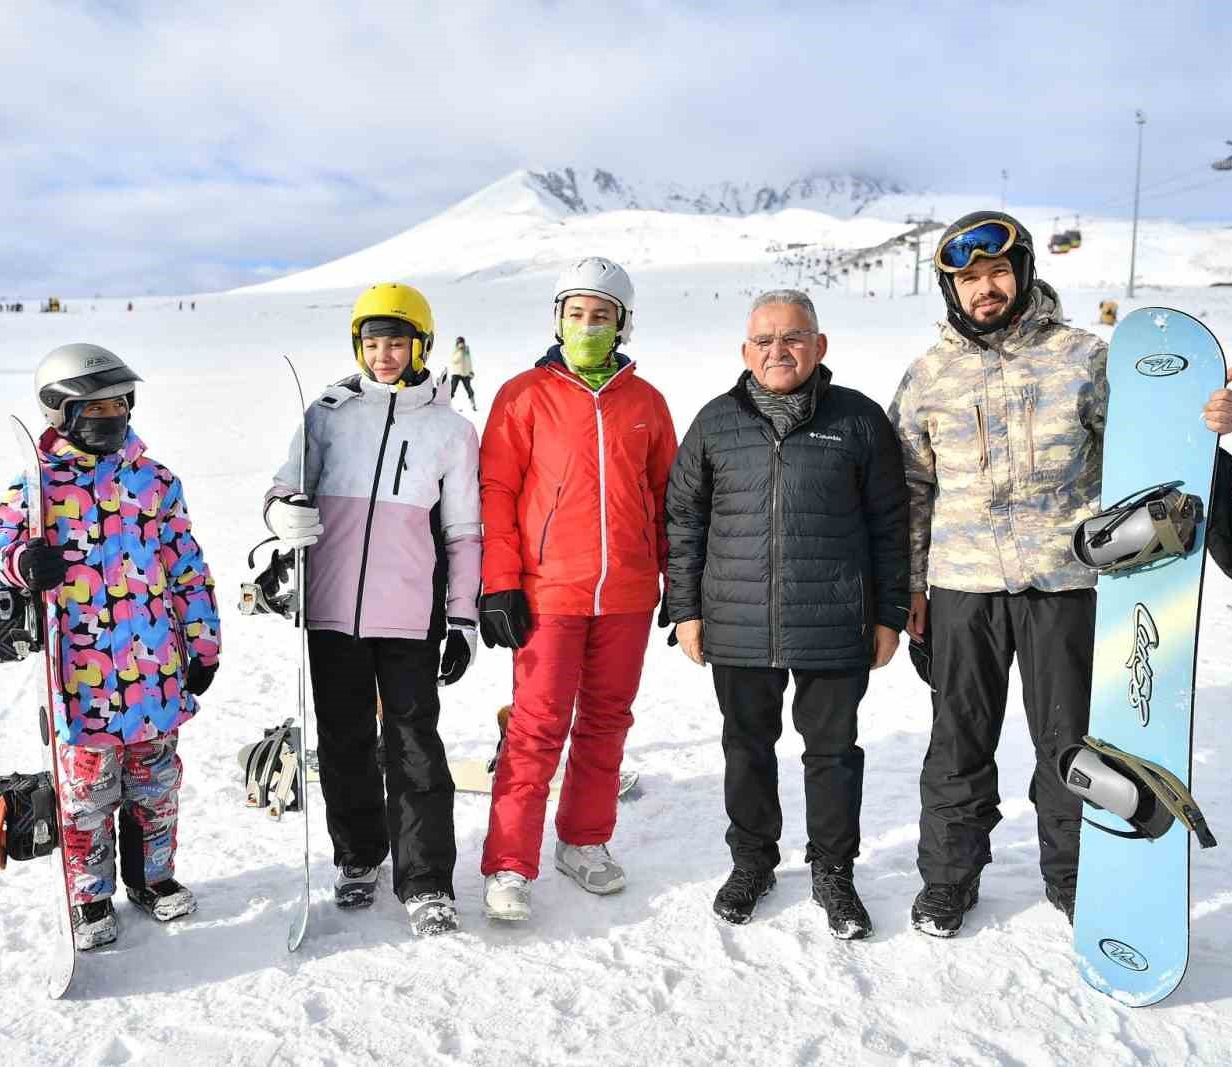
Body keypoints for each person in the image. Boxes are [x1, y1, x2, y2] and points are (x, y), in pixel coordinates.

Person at [888, 211, 1232, 937]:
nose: (985, 288)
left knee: (1071, 742)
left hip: (1065, 583)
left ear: (1021, 273)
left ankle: (1075, 873)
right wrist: (912, 588)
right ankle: (949, 878)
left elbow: (1150, 448)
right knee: (957, 740)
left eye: (997, 272)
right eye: (968, 277)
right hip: (963, 585)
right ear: (950, 288)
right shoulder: (928, 374)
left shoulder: (1084, 356)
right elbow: (911, 489)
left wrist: (1205, 418)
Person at [666, 289, 910, 939]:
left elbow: (891, 522)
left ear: (819, 345)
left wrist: (888, 611)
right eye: (765, 340)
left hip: (834, 619)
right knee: (746, 747)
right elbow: (684, 520)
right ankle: (752, 861)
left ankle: (833, 869)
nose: (779, 350)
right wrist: (685, 609)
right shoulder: (717, 421)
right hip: (739, 620)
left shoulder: (857, 420)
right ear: (746, 351)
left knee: (832, 752)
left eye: (794, 337)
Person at [0, 343, 220, 951]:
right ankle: (87, 896)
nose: (114, 414)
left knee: (156, 787)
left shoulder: (156, 481)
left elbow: (186, 566)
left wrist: (204, 642)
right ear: (62, 412)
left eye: (120, 403)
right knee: (85, 797)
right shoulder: (36, 487)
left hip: (155, 674)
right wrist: (19, 562)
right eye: (98, 405)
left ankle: (153, 878)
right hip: (79, 680)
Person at [262, 282, 480, 937]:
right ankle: (358, 857)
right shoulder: (328, 413)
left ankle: (427, 880)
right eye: (372, 341)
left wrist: (462, 618)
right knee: (345, 743)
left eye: (397, 341)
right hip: (330, 612)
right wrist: (283, 513)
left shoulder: (451, 430)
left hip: (411, 616)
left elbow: (463, 532)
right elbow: (282, 486)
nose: (383, 354)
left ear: (422, 346)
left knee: (414, 747)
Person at [476, 256, 676, 922]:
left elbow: (666, 497)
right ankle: (509, 860)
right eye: (575, 313)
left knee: (607, 721)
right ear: (557, 318)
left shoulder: (645, 402)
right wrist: (500, 582)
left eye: (601, 316)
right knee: (536, 726)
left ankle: (584, 839)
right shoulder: (521, 395)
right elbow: (497, 493)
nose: (587, 325)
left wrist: (677, 576)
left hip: (625, 591)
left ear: (622, 323)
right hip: (547, 592)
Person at [449, 336, 477, 410]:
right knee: (452, 389)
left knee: (469, 389)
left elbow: (469, 361)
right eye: (460, 343)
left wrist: (471, 371)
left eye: (462, 343)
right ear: (457, 343)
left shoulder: (467, 351)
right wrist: (460, 352)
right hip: (456, 373)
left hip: (465, 373)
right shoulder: (455, 351)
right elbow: (454, 360)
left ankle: (473, 404)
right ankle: (446, 403)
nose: (461, 345)